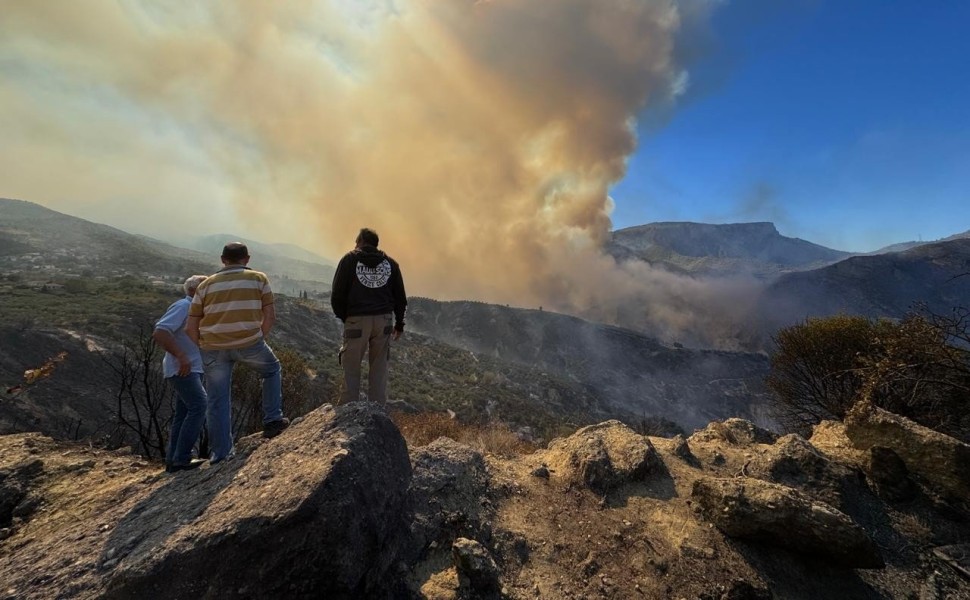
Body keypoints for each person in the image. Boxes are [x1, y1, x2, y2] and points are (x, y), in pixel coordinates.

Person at [186, 242, 289, 464]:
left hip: (213, 348)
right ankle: (272, 420)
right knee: (271, 370)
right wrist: (258, 337)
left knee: (217, 400)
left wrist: (203, 346)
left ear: (223, 260)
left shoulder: (205, 286)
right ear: (247, 259)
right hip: (249, 343)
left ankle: (220, 453)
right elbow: (270, 317)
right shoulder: (259, 279)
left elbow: (190, 326)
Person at [330, 227, 407, 405]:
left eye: (356, 242)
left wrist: (346, 317)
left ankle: (349, 410)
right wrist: (399, 324)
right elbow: (400, 298)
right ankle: (377, 411)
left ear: (361, 242)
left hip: (357, 320)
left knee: (351, 368)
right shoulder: (391, 264)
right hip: (384, 321)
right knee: (379, 368)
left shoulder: (349, 260)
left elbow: (337, 295)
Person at [153, 275, 208, 473]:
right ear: (194, 291)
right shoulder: (183, 307)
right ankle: (183, 457)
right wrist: (181, 356)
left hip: (191, 367)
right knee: (200, 406)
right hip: (183, 368)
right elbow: (160, 332)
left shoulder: (194, 310)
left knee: (184, 414)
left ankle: (173, 460)